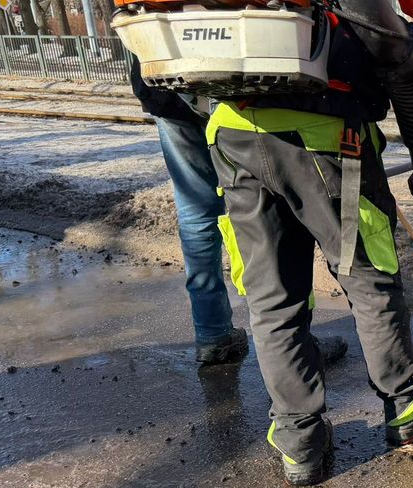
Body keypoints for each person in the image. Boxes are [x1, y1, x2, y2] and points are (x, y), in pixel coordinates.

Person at [204, 0, 413, 485]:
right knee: (366, 273)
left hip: (232, 132)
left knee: (271, 295)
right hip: (325, 134)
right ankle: (407, 401)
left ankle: (300, 443)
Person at [131, 66, 349, 366]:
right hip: (236, 90)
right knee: (272, 214)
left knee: (197, 213)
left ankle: (212, 334)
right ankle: (297, 343)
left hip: (167, 86)